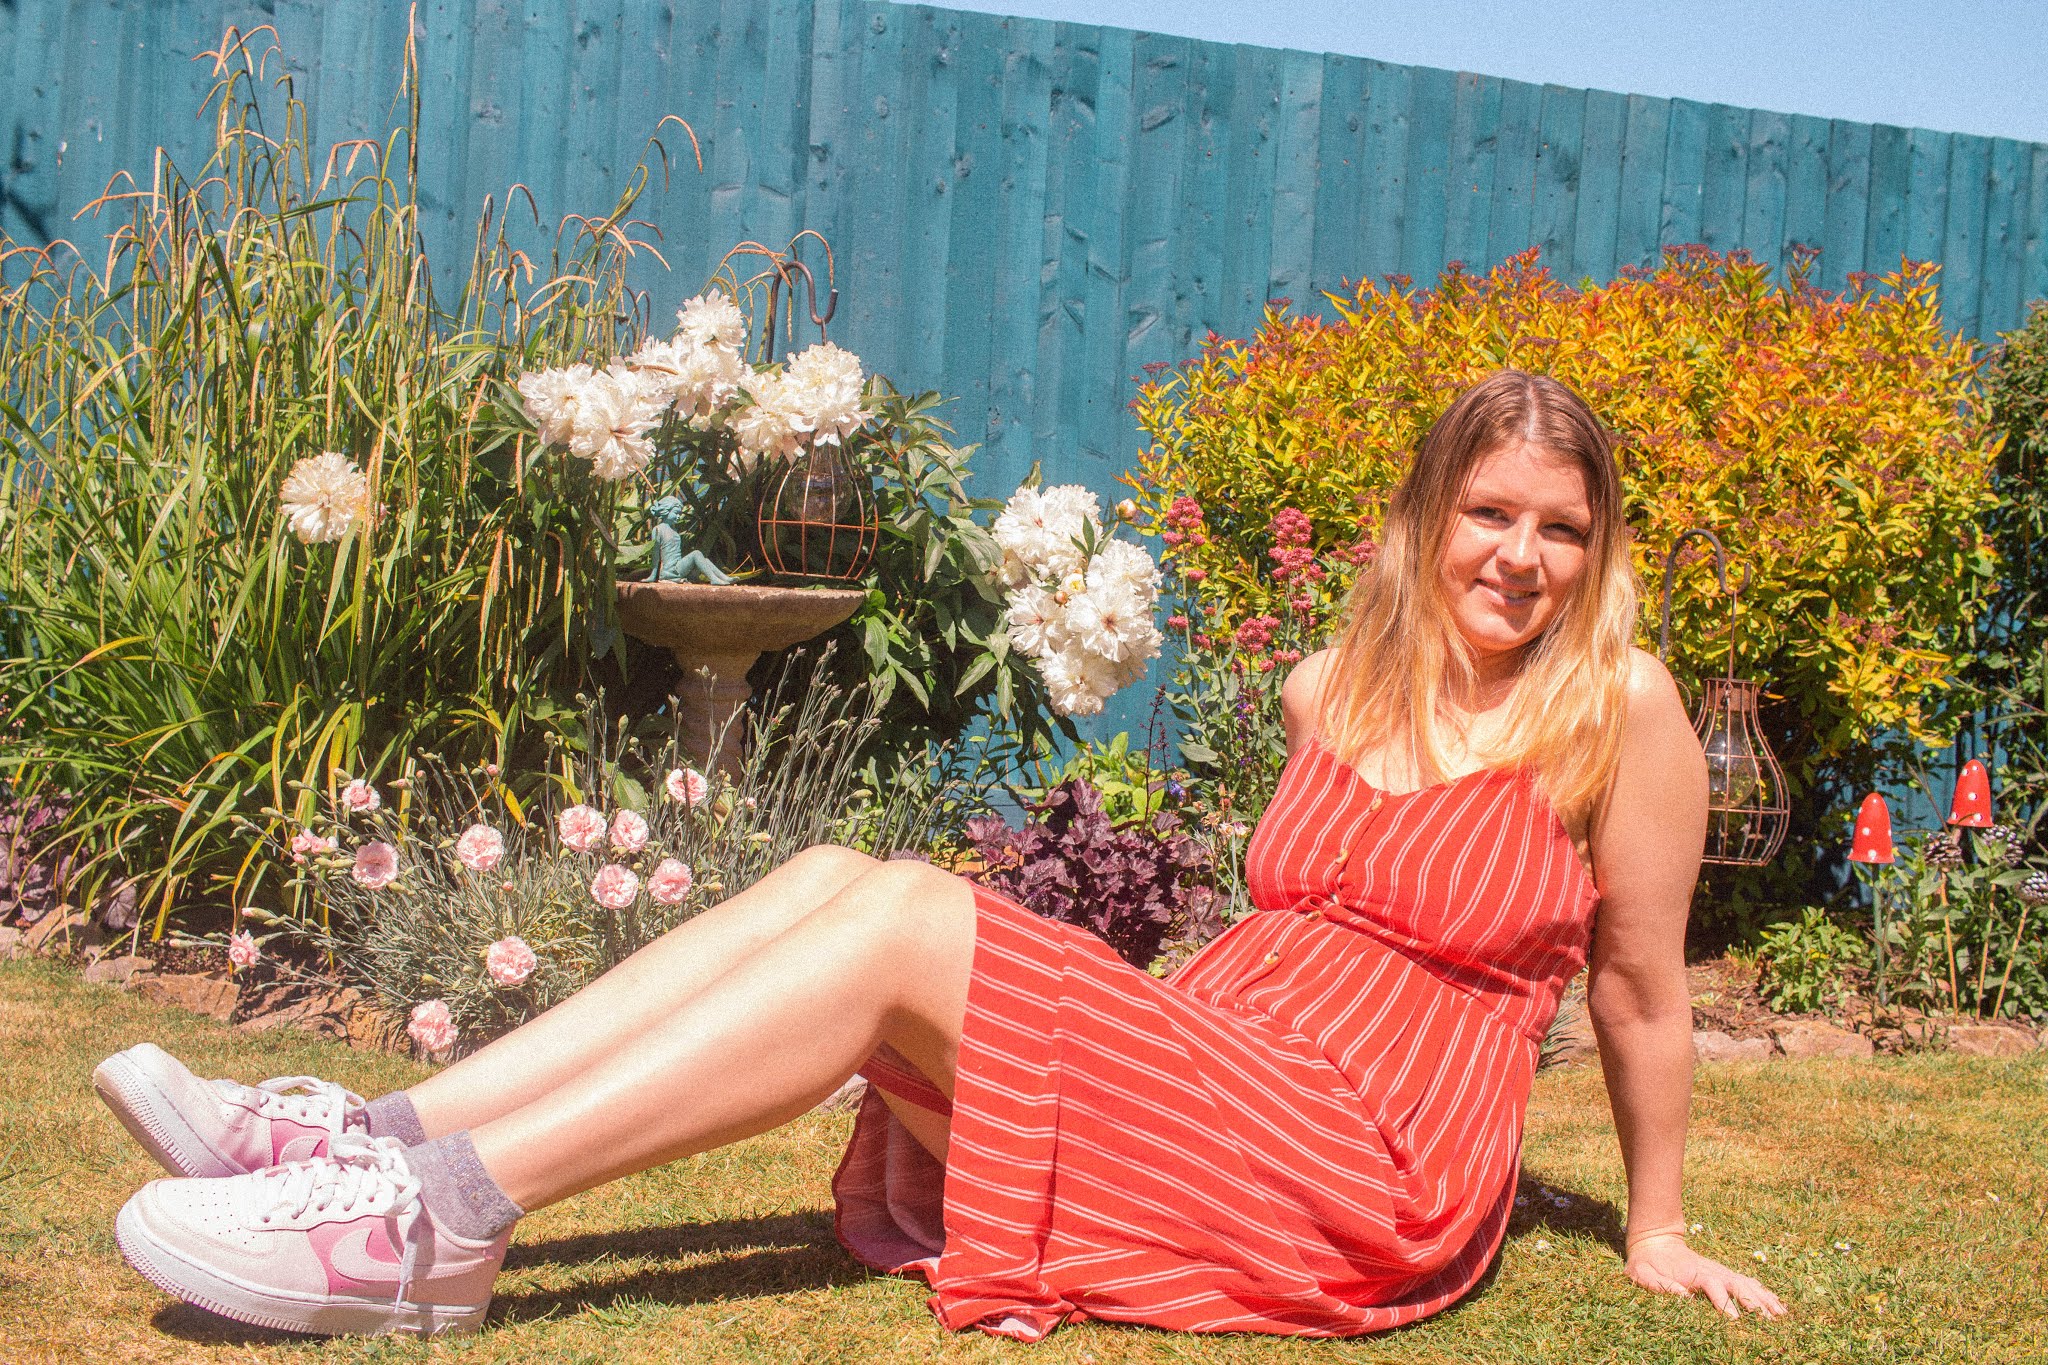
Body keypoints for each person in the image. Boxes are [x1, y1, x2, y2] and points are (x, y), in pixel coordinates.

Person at [95, 369, 1787, 1339]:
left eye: (1562, 528)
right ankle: (365, 1138)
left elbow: (1639, 994)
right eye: (1491, 511)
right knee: (840, 874)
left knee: (905, 914)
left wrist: (1652, 1223)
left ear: (1596, 550)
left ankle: (440, 1225)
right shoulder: (1328, 679)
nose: (1522, 556)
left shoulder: (1617, 713)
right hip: (1227, 1064)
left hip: (1366, 1160)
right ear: (1429, 518)